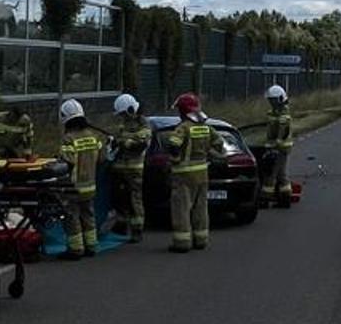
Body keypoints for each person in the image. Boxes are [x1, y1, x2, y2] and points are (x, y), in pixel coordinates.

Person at [161, 93, 226, 253]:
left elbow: (174, 145)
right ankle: (201, 239)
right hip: (202, 172)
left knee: (181, 209)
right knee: (200, 208)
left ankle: (182, 242)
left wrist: (174, 159)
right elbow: (219, 143)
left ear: (183, 111)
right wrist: (208, 152)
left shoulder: (183, 127)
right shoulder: (206, 127)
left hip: (183, 174)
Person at [57, 99, 105, 260]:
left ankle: (76, 249)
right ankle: (91, 246)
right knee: (88, 215)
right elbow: (102, 159)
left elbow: (66, 163)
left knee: (72, 217)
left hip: (73, 187)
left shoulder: (68, 138)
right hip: (90, 186)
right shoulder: (94, 136)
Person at [109, 94, 151, 243]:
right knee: (119, 199)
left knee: (135, 200)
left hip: (134, 169)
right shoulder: (123, 123)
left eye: (122, 113)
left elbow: (142, 141)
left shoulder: (143, 122)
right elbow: (117, 137)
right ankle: (121, 224)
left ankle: (137, 229)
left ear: (130, 109)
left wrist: (125, 142)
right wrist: (114, 142)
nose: (121, 116)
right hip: (119, 168)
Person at [263, 84, 294, 209]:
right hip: (278, 147)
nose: (271, 103)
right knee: (281, 174)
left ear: (279, 99)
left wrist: (276, 144)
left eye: (273, 100)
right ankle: (284, 199)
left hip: (279, 148)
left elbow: (282, 132)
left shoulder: (283, 114)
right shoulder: (274, 112)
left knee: (271, 174)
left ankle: (265, 199)